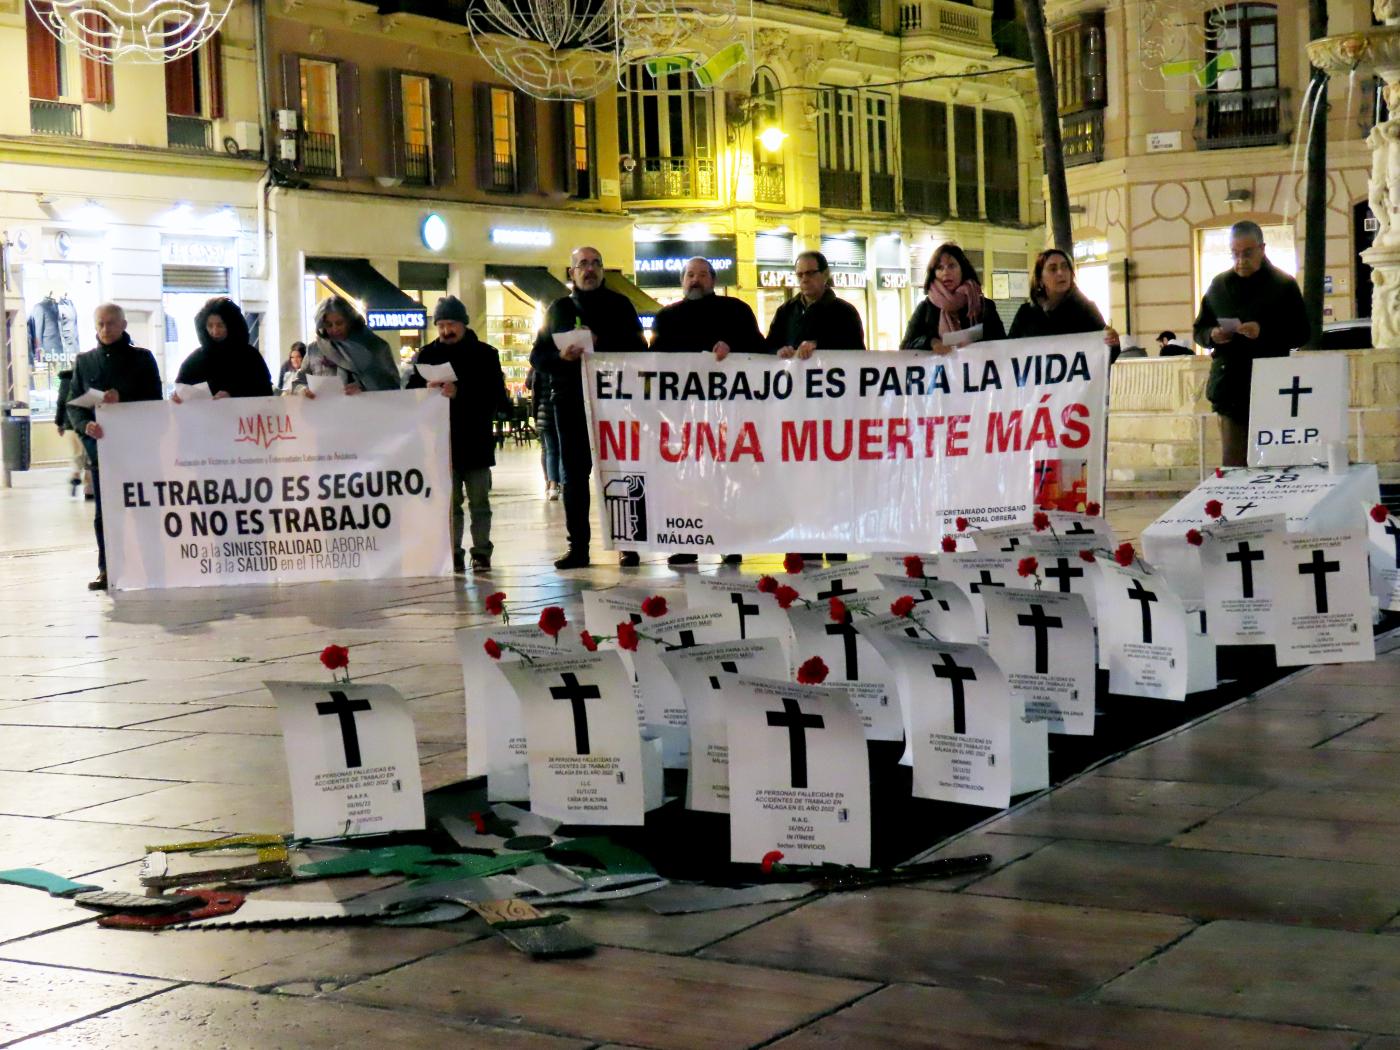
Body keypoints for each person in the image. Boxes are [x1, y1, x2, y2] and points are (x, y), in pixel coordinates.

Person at [530, 246, 646, 570]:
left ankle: (628, 545)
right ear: (572, 272)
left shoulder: (621, 306)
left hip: (615, 403)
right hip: (569, 402)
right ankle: (578, 548)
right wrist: (561, 358)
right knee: (574, 477)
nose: (589, 269)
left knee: (621, 474)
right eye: (583, 264)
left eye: (596, 263)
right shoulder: (558, 309)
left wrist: (600, 343)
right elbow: (537, 357)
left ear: (603, 270)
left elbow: (640, 349)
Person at [650, 256, 760, 566]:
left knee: (725, 475)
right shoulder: (666, 317)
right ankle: (688, 540)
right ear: (682, 281)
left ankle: (728, 540)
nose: (695, 279)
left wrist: (732, 347)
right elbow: (655, 362)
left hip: (726, 410)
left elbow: (758, 347)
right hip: (683, 413)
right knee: (686, 476)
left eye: (701, 274)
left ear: (713, 280)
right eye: (689, 274)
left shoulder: (735, 310)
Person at [405, 295, 509, 574]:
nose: (446, 330)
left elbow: (497, 398)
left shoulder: (485, 354)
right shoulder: (426, 355)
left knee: (479, 501)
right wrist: (426, 388)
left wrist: (460, 392)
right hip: (442, 441)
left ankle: (482, 551)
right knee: (449, 504)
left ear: (463, 324)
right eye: (440, 325)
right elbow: (409, 394)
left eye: (451, 324)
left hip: (475, 440)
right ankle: (453, 552)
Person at [1192, 220, 1309, 466]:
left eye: (1247, 253)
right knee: (1234, 463)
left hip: (1272, 384)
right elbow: (1199, 329)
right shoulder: (1219, 285)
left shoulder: (1283, 285)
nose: (1240, 260)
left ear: (1262, 249)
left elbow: (1302, 332)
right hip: (1230, 386)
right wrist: (1212, 335)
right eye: (1235, 254)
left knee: (1273, 461)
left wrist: (1263, 331)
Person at [66, 304, 162, 591]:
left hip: (137, 451)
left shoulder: (142, 359)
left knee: (144, 511)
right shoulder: (85, 362)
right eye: (100, 324)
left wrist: (124, 397)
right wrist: (86, 427)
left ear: (123, 325)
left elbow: (154, 400)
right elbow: (73, 405)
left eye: (110, 324)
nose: (105, 330)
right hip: (102, 455)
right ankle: (108, 569)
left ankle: (153, 567)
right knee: (104, 515)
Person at [1008, 248, 1120, 360]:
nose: (1060, 273)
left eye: (1065, 266)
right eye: (1053, 269)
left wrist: (1113, 343)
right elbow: (1008, 352)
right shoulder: (1026, 314)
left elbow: (1104, 358)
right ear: (1040, 279)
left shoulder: (1086, 310)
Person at [902, 243, 1006, 353]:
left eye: (951, 266)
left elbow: (1002, 344)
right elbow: (906, 346)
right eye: (939, 268)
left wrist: (978, 340)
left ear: (963, 269)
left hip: (977, 368)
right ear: (934, 273)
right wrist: (931, 342)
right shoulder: (925, 309)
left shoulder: (985, 306)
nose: (945, 272)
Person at [290, 297, 401, 395]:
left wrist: (365, 387)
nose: (335, 329)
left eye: (339, 323)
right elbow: (298, 382)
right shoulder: (314, 350)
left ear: (350, 321)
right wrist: (303, 390)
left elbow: (393, 384)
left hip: (368, 413)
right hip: (328, 414)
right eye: (329, 325)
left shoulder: (376, 346)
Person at [764, 251, 865, 358]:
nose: (804, 279)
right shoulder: (785, 311)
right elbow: (768, 347)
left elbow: (856, 352)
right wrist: (778, 351)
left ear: (825, 274)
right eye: (800, 275)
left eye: (810, 273)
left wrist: (817, 345)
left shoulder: (845, 312)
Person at [172, 298, 273, 401]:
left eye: (220, 325)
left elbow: (265, 393)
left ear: (232, 326)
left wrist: (233, 395)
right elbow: (182, 387)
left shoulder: (250, 357)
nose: (215, 331)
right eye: (210, 326)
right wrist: (177, 396)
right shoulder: (196, 359)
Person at [54, 367, 91, 498]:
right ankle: (89, 488)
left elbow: (61, 402)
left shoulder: (66, 380)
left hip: (70, 423)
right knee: (88, 454)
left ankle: (76, 473)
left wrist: (59, 423)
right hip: (88, 421)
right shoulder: (88, 376)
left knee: (77, 452)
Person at [526, 366, 561, 501]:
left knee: (548, 450)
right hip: (560, 411)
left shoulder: (538, 367)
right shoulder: (561, 365)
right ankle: (561, 483)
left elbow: (529, 385)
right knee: (561, 450)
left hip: (543, 413)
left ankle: (551, 484)